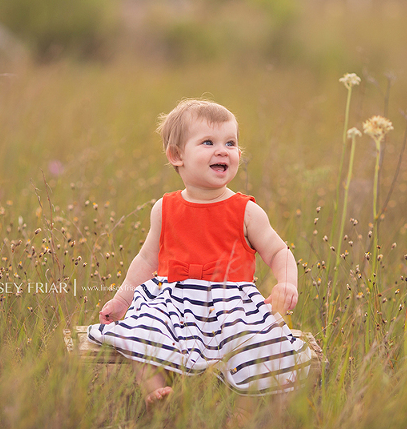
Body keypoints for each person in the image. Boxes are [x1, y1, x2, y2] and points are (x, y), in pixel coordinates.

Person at [87, 99, 312, 408]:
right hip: (172, 301)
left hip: (230, 305)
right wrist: (123, 299)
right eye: (208, 142)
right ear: (177, 155)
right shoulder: (164, 208)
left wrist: (286, 283)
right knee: (142, 327)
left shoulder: (246, 211)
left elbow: (278, 251)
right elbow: (146, 261)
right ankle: (155, 390)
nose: (223, 150)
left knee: (258, 346)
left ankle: (246, 410)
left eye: (230, 143)